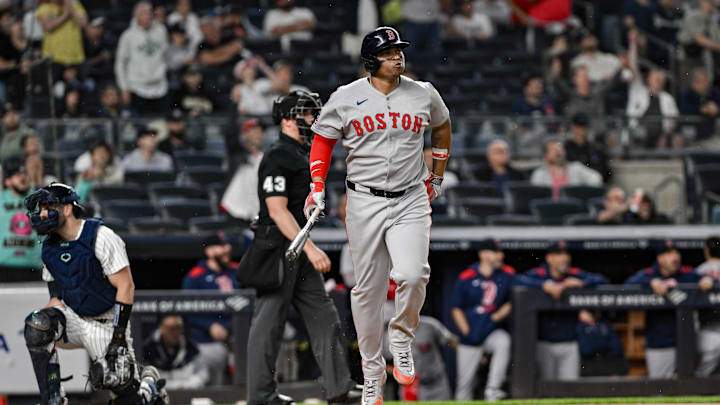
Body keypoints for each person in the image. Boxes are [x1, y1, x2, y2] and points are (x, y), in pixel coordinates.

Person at [304, 26, 452, 405]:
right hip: (365, 201)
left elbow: (442, 127)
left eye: (399, 51)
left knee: (413, 274)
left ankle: (401, 336)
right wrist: (317, 186)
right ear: (371, 60)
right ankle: (372, 372)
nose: (398, 57)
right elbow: (322, 140)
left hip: (410, 199)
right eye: (389, 53)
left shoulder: (423, 93)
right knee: (366, 293)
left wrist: (437, 173)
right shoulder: (347, 97)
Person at [244, 90, 361, 405]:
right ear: (286, 119)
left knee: (324, 316)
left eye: (314, 113)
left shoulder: (301, 153)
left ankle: (339, 389)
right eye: (307, 113)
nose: (313, 119)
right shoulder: (278, 155)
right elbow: (277, 209)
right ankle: (260, 396)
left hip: (297, 244)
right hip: (278, 246)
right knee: (268, 324)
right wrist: (309, 248)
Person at [22, 182, 168, 405]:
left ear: (68, 208)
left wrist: (118, 337)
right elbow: (55, 297)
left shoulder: (100, 236)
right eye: (40, 208)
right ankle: (52, 400)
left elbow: (126, 286)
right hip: (73, 318)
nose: (42, 214)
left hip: (107, 323)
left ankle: (148, 389)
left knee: (124, 395)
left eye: (48, 206)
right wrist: (44, 320)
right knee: (37, 326)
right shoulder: (49, 247)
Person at [514, 242, 609, 381]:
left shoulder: (573, 274)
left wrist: (582, 283)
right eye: (559, 254)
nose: (564, 258)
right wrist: (543, 285)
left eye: (566, 254)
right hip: (544, 343)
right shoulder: (539, 275)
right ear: (549, 258)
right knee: (546, 388)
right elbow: (516, 280)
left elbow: (603, 280)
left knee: (570, 388)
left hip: (569, 342)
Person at [624, 242, 704, 378]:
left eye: (675, 252)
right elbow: (628, 284)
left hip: (687, 341)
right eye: (669, 253)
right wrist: (650, 282)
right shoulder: (650, 274)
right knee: (660, 388)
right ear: (660, 259)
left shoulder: (687, 274)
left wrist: (708, 280)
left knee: (689, 387)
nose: (674, 257)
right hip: (660, 341)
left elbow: (711, 281)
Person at [450, 239, 513, 401]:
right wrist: (466, 330)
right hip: (470, 336)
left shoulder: (507, 274)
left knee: (503, 341)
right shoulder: (467, 276)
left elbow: (517, 296)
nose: (501, 256)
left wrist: (499, 314)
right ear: (483, 254)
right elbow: (456, 307)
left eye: (500, 252)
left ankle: (493, 389)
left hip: (490, 331)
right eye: (496, 252)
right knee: (464, 388)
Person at [180, 233, 239, 385]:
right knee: (214, 355)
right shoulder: (195, 277)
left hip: (239, 331)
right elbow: (187, 310)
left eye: (227, 245)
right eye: (221, 246)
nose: (227, 249)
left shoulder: (236, 270)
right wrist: (209, 325)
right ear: (209, 251)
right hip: (208, 338)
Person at [382, 314, 457, 401]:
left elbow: (451, 341)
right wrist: (396, 372)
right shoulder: (392, 334)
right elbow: (380, 360)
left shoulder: (429, 325)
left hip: (437, 381)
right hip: (412, 385)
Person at [626, 29, 679, 149]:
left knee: (674, 140)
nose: (658, 79)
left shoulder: (668, 98)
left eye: (660, 77)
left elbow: (673, 120)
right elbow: (633, 65)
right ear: (648, 79)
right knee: (637, 135)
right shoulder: (638, 90)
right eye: (655, 76)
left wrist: (666, 134)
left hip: (661, 135)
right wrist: (633, 43)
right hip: (638, 132)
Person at [115, 1, 169, 116]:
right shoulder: (127, 36)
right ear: (136, 16)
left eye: (149, 13)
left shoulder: (161, 31)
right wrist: (124, 88)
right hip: (137, 88)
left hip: (160, 88)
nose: (147, 16)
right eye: (143, 13)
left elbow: (166, 55)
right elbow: (120, 64)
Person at [0, 157, 43, 277]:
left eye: (24, 173)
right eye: (17, 175)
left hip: (33, 267)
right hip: (3, 267)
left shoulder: (40, 199)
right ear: (7, 181)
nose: (22, 177)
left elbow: (67, 206)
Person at [143, 315, 209, 389]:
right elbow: (147, 377)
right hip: (160, 393)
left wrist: (185, 386)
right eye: (171, 329)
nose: (175, 333)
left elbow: (203, 375)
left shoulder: (191, 348)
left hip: (188, 391)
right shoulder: (149, 349)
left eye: (178, 328)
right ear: (162, 328)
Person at [221, 119, 264, 221]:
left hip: (254, 214)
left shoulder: (265, 157)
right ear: (244, 135)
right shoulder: (237, 155)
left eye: (260, 131)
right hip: (234, 212)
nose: (258, 134)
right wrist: (234, 106)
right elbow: (230, 136)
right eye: (253, 131)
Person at [530, 139, 602, 199]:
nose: (558, 152)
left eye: (560, 149)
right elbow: (536, 196)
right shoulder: (539, 174)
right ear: (546, 156)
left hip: (573, 208)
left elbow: (596, 177)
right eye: (554, 150)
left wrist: (584, 193)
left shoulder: (576, 168)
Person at [695, 236, 720, 377]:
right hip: (710, 326)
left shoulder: (699, 272)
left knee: (702, 374)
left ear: (707, 250)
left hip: (707, 331)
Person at [36, 0, 87, 67]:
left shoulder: (75, 5)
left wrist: (70, 7)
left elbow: (83, 23)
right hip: (54, 59)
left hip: (76, 58)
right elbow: (48, 27)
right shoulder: (45, 7)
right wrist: (66, 14)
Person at [564, 112, 611, 181]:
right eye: (578, 127)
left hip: (592, 186)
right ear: (573, 127)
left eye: (583, 127)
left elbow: (606, 173)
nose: (581, 130)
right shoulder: (566, 148)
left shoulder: (595, 149)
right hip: (572, 187)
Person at [680, 68, 720, 140]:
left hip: (712, 135)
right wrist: (701, 109)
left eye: (706, 81)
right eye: (702, 81)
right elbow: (684, 109)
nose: (706, 84)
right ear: (694, 83)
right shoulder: (687, 95)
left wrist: (716, 109)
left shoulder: (713, 93)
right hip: (692, 136)